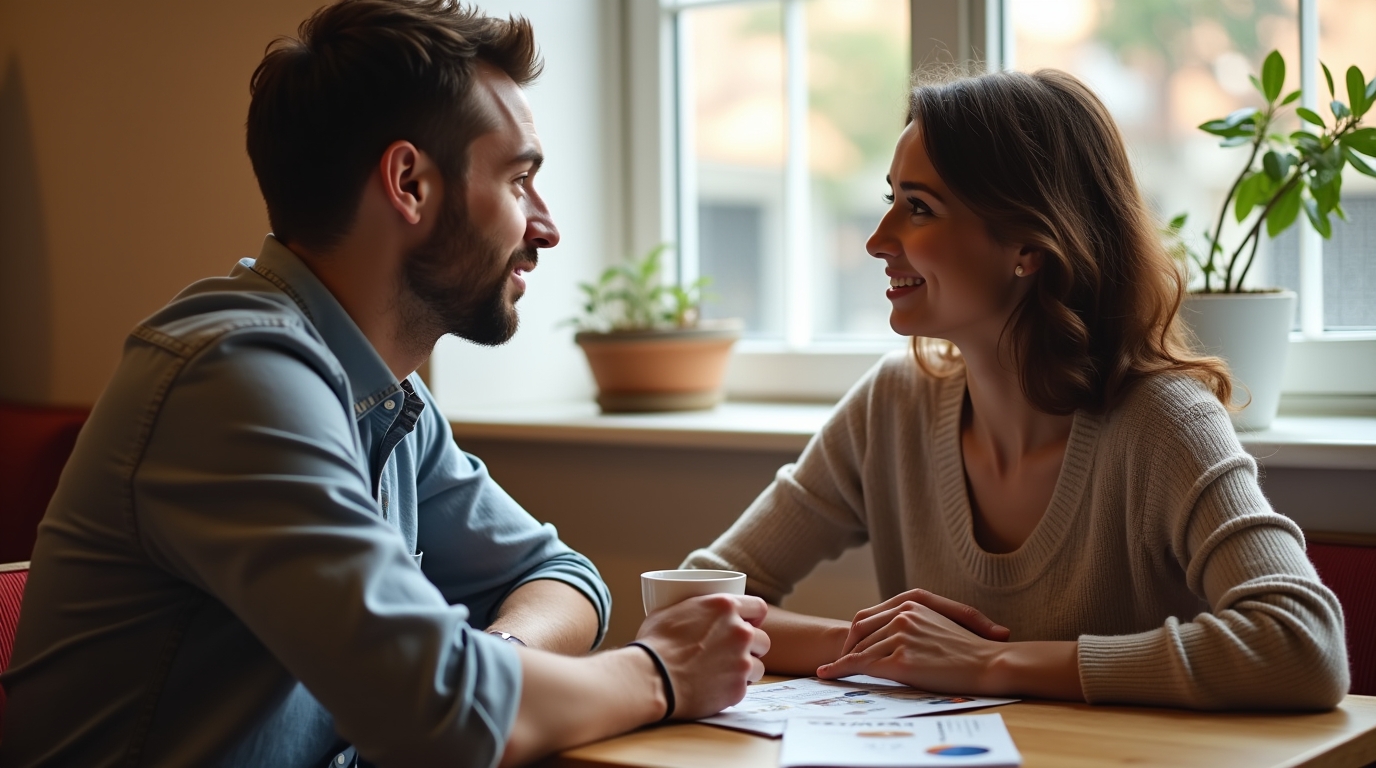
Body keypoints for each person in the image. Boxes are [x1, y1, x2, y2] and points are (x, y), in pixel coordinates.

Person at [0, 2, 768, 767]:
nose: (547, 226)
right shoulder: (234, 381)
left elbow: (560, 577)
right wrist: (660, 674)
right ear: (409, 183)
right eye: (519, 181)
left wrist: (493, 667)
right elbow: (440, 719)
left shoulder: (384, 394)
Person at [683, 68, 1349, 711]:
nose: (878, 240)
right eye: (892, 200)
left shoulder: (1163, 423)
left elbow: (1305, 644)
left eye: (919, 208)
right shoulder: (892, 406)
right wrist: (882, 646)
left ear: (1028, 245)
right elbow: (692, 599)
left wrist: (991, 663)